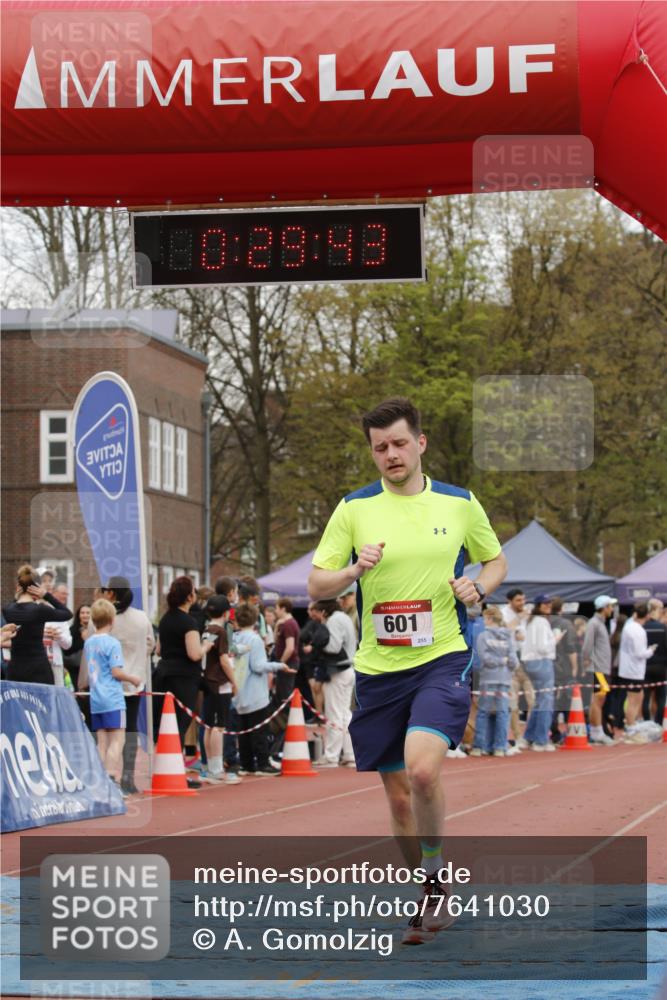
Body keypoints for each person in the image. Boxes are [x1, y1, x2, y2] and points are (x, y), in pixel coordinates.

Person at [308, 397, 507, 945]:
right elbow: (317, 585)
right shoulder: (353, 509)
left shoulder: (460, 503)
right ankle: (429, 887)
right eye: (380, 448)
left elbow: (496, 561)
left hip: (442, 654)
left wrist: (479, 587)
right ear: (372, 453)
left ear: (419, 443)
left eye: (399, 443)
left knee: (423, 772)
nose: (390, 455)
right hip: (378, 667)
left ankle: (437, 878)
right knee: (398, 798)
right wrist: (354, 569)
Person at [101, 577, 155, 794]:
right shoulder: (142, 618)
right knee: (130, 727)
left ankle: (107, 775)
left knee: (108, 730)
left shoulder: (105, 618)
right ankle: (128, 776)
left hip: (108, 682)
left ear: (111, 593)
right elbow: (150, 646)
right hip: (134, 680)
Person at [231, 603, 295, 775]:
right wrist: (279, 665)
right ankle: (262, 762)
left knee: (243, 730)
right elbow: (258, 666)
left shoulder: (235, 638)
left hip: (239, 689)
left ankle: (246, 763)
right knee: (259, 729)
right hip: (255, 692)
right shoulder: (255, 639)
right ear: (255, 620)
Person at [85, 599, 142, 790]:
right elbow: (116, 672)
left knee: (102, 741)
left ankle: (101, 777)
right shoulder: (112, 643)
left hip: (96, 697)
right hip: (112, 697)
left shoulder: (89, 642)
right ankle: (109, 777)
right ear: (112, 619)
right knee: (118, 739)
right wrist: (133, 679)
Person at [154, 576, 214, 749]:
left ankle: (165, 767)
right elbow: (194, 654)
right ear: (189, 597)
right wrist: (206, 646)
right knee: (180, 724)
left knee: (166, 724)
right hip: (184, 679)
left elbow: (159, 650)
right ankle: (176, 769)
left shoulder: (165, 619)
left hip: (164, 675)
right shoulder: (189, 622)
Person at [2, 565, 72, 684]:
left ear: (18, 586)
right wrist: (46, 595)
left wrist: (17, 596)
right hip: (38, 668)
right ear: (37, 587)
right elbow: (67, 614)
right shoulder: (40, 610)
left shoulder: (8, 609)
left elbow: (14, 604)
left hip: (15, 669)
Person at [201, 595, 242, 784]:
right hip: (219, 682)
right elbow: (224, 659)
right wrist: (234, 681)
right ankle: (216, 769)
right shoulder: (221, 631)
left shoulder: (206, 629)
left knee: (209, 725)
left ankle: (210, 767)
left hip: (207, 681)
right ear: (226, 613)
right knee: (219, 726)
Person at [312, 599, 357, 767]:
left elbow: (333, 647)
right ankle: (349, 753)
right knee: (345, 713)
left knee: (334, 714)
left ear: (324, 611)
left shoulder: (333, 620)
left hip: (337, 670)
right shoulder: (344, 617)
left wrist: (317, 644)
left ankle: (331, 755)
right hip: (349, 668)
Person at [470, 605, 518, 757]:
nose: (483, 621)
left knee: (484, 712)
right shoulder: (508, 636)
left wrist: (498, 661)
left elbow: (484, 658)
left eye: (485, 618)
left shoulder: (483, 636)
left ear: (489, 618)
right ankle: (499, 747)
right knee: (502, 713)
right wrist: (504, 661)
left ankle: (479, 746)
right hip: (504, 680)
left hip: (488, 679)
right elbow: (513, 661)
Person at [517, 595, 556, 751]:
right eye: (545, 603)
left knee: (540, 701)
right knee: (546, 700)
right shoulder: (541, 622)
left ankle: (530, 737)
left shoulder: (530, 621)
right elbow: (543, 647)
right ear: (539, 605)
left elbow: (524, 642)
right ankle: (541, 740)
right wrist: (556, 638)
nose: (548, 605)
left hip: (530, 662)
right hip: (541, 661)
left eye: (549, 603)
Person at [581, 596, 617, 744]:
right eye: (610, 606)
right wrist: (586, 660)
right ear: (604, 607)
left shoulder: (600, 624)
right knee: (597, 700)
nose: (612, 609)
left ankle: (597, 731)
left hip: (602, 668)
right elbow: (587, 646)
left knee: (600, 700)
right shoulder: (594, 624)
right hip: (598, 668)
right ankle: (596, 732)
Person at [501, 588, 535, 743]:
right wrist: (519, 619)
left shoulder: (526, 615)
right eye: (518, 600)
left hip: (526, 660)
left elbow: (524, 636)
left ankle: (530, 734)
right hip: (509, 661)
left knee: (533, 700)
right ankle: (517, 736)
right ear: (510, 601)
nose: (522, 603)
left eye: (524, 600)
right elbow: (503, 630)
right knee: (512, 702)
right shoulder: (503, 613)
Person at [619, 603, 657, 731]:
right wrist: (651, 650)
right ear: (647, 616)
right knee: (633, 700)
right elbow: (640, 653)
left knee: (638, 696)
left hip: (630, 669)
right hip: (633, 670)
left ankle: (632, 723)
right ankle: (630, 726)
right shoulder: (638, 631)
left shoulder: (629, 626)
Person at [43, 582, 73, 687]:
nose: (66, 596)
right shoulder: (41, 609)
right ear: (53, 593)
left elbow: (68, 644)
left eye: (67, 594)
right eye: (63, 593)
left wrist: (58, 636)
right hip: (39, 661)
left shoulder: (62, 616)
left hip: (55, 662)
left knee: (56, 693)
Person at [643, 598, 667, 725]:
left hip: (645, 665)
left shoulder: (643, 626)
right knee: (661, 697)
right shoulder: (663, 628)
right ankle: (658, 723)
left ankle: (647, 723)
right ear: (656, 609)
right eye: (661, 609)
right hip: (661, 666)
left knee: (645, 698)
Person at [63, 604, 91, 691]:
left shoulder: (96, 630)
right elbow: (67, 649)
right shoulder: (72, 630)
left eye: (87, 613)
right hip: (75, 669)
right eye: (82, 613)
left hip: (91, 668)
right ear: (78, 615)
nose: (85, 615)